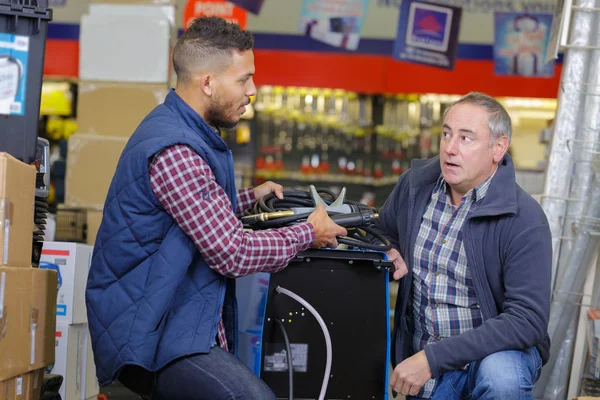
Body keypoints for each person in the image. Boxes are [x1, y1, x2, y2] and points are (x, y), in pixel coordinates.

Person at [85, 16, 347, 400]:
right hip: (152, 335)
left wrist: (249, 198)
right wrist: (310, 232)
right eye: (244, 79)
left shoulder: (185, 130)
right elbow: (231, 252)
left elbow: (187, 210)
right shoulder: (177, 150)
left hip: (174, 315)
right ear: (208, 83)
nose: (253, 90)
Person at [376, 92, 552, 399]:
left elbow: (527, 320)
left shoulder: (524, 219)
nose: (450, 148)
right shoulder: (415, 187)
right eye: (446, 134)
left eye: (466, 138)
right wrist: (387, 250)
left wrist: (433, 359)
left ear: (498, 148)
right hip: (422, 364)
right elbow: (380, 233)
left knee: (502, 376)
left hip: (485, 359)